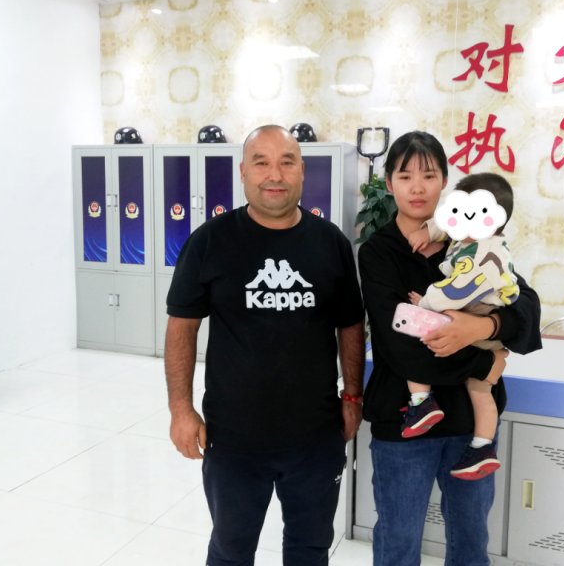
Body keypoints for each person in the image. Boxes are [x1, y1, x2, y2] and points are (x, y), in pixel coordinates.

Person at [164, 124, 365, 566]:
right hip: (233, 437)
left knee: (310, 549)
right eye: (261, 163)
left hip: (315, 436)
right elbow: (182, 327)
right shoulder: (209, 241)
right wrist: (180, 409)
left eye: (286, 162)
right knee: (231, 550)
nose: (275, 174)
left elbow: (351, 323)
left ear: (302, 171)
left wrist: (352, 395)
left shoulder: (330, 241)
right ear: (243, 172)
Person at [358, 131, 542, 566]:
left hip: (469, 425)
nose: (417, 187)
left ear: (445, 182)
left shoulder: (474, 239)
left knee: (470, 542)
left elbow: (526, 308)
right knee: (398, 542)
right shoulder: (379, 252)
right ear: (389, 182)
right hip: (404, 422)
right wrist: (486, 359)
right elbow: (401, 347)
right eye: (405, 176)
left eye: (429, 175)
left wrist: (482, 325)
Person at [398, 173, 520, 480]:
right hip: (482, 327)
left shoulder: (483, 255)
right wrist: (428, 231)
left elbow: (454, 292)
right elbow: (447, 224)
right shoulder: (471, 235)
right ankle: (482, 447)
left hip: (477, 312)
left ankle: (422, 403)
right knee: (480, 388)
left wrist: (425, 303)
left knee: (416, 330)